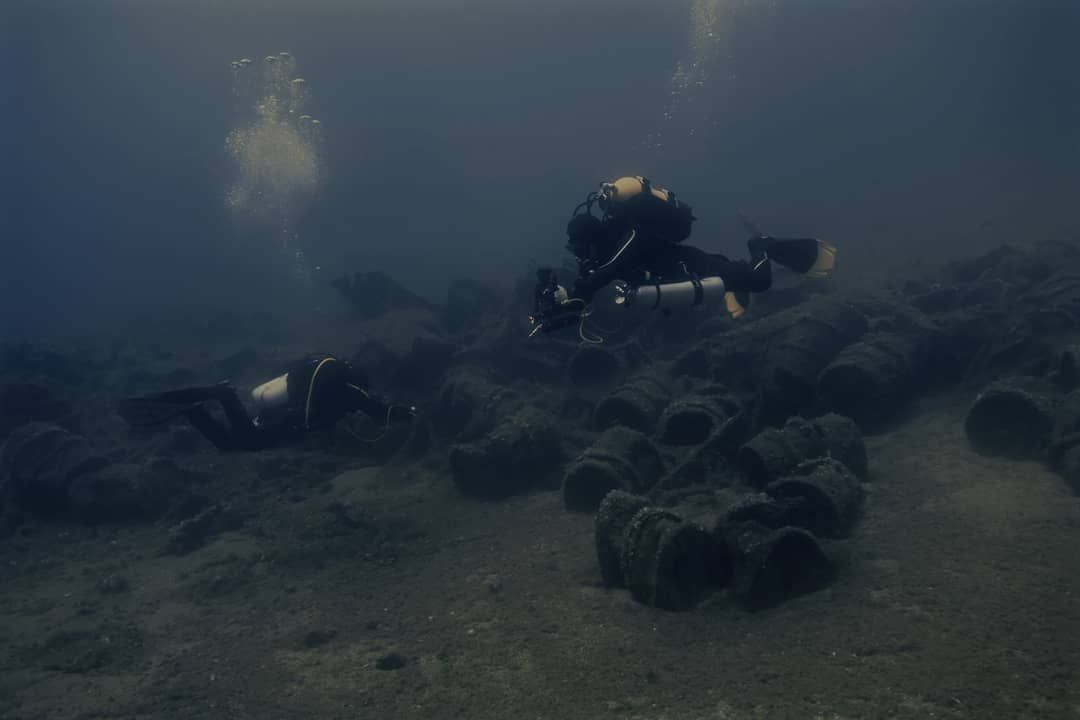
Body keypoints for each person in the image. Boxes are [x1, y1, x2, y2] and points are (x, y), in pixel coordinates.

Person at [530, 176, 837, 334]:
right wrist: (561, 304)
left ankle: (762, 246)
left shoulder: (633, 234)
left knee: (758, 281)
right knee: (739, 280)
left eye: (579, 245)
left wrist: (582, 290)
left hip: (694, 265)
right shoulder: (605, 250)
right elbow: (594, 279)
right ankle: (737, 282)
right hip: (684, 279)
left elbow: (613, 268)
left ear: (591, 236)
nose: (579, 253)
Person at [118, 354, 415, 452]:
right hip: (293, 420)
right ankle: (224, 394)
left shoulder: (332, 379)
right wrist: (412, 414)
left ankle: (195, 413)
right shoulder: (350, 389)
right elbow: (379, 410)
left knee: (230, 446)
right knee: (248, 442)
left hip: (282, 410)